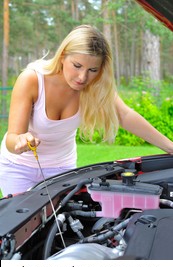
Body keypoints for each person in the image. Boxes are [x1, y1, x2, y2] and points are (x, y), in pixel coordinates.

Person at [0, 24, 173, 197]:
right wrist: (20, 141)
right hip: (18, 168)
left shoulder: (96, 86)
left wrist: (170, 147)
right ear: (62, 56)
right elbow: (12, 139)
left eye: (92, 70)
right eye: (77, 65)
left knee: (63, 221)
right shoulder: (32, 79)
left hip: (62, 169)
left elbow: (125, 116)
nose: (83, 77)